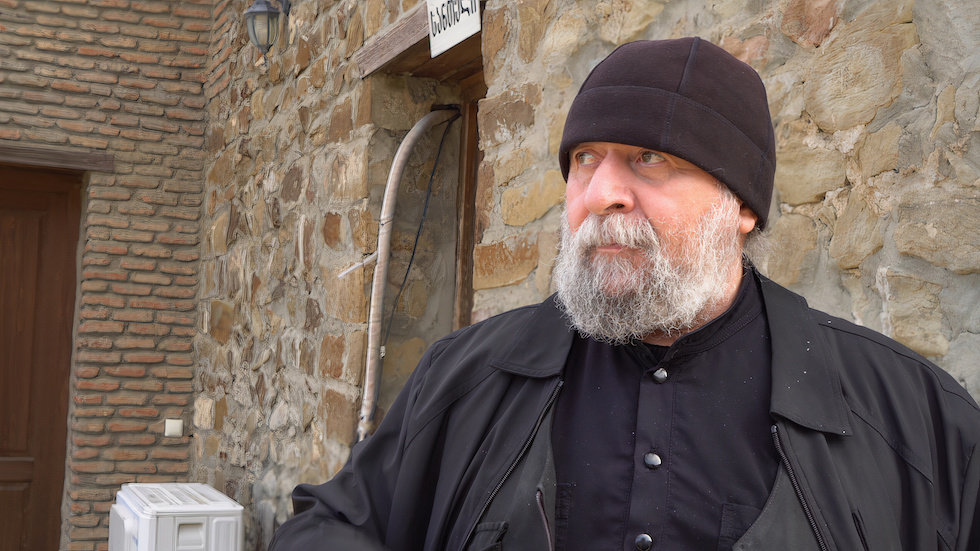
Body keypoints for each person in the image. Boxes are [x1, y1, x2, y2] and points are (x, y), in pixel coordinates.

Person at [269, 37, 980, 551]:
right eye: (584, 160)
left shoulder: (913, 417)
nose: (601, 192)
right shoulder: (464, 379)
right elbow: (333, 524)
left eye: (649, 158)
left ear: (743, 206)